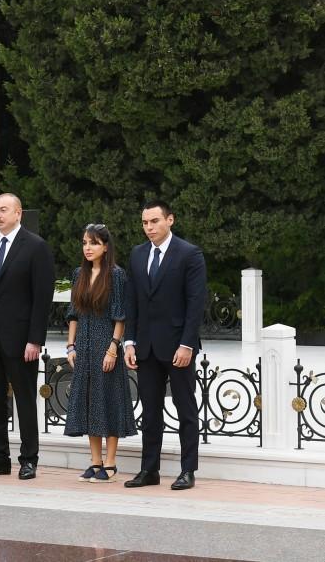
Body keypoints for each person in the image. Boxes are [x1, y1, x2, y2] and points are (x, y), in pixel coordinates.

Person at [0, 193, 54, 480]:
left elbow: (42, 298)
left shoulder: (36, 246)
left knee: (25, 399)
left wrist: (35, 339)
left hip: (20, 340)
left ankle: (29, 459)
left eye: (4, 209)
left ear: (18, 214)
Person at [123, 200, 207, 490]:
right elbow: (132, 301)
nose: (149, 228)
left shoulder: (189, 254)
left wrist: (187, 345)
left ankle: (187, 470)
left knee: (186, 409)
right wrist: (129, 341)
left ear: (170, 220)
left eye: (155, 221)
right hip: (145, 347)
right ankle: (149, 470)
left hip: (177, 347)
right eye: (145, 222)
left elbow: (196, 303)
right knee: (150, 412)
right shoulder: (136, 254)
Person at [63, 223, 136, 482]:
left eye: (93, 243)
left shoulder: (116, 275)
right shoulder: (77, 274)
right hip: (83, 344)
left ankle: (111, 462)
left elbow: (120, 315)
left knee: (109, 400)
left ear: (105, 247)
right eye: (84, 242)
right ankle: (94, 462)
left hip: (107, 345)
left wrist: (113, 349)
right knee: (89, 402)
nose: (87, 248)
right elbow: (73, 314)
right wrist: (71, 346)